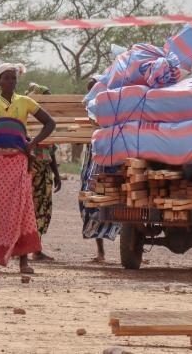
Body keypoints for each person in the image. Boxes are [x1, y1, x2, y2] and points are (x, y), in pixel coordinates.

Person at [0, 63, 56, 274]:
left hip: (18, 161)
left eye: (13, 78)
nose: (11, 82)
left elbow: (50, 123)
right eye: (6, 78)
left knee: (23, 209)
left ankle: (24, 262)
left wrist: (32, 144)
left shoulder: (25, 102)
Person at [80, 76, 120, 262]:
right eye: (90, 89)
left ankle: (128, 246)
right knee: (92, 200)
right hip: (92, 159)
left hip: (112, 157)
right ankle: (100, 252)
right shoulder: (89, 108)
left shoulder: (115, 105)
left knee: (117, 199)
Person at [24, 82, 62, 262]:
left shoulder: (47, 121)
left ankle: (36, 248)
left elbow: (51, 150)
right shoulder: (25, 118)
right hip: (29, 170)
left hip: (45, 171)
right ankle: (24, 248)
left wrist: (57, 174)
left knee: (43, 209)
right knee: (27, 208)